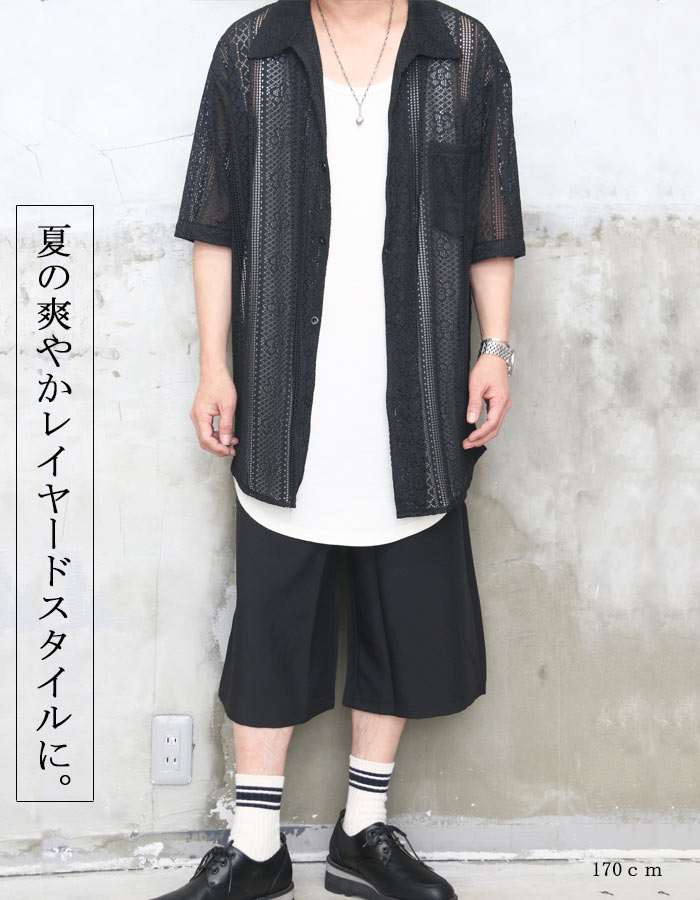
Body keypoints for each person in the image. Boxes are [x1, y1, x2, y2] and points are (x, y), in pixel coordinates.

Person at [154, 0, 525, 897]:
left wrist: (495, 347)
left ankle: (364, 830)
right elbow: (215, 228)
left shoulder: (462, 53)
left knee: (400, 611)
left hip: (418, 388)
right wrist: (214, 367)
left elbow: (491, 223)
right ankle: (255, 845)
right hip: (284, 390)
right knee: (274, 614)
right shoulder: (252, 53)